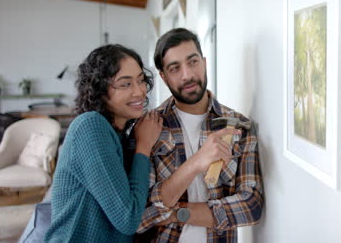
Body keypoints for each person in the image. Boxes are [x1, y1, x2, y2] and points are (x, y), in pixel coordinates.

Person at [137, 28, 264, 242]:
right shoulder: (149, 127)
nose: (187, 75)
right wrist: (196, 162)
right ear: (164, 77)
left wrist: (178, 212)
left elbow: (251, 205)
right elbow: (141, 216)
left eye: (193, 62)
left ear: (204, 62)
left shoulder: (238, 126)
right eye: (175, 68)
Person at [44, 44, 163, 242]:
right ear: (99, 90)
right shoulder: (90, 126)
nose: (139, 92)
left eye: (141, 81)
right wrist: (144, 146)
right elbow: (127, 218)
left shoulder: (120, 134)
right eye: (125, 84)